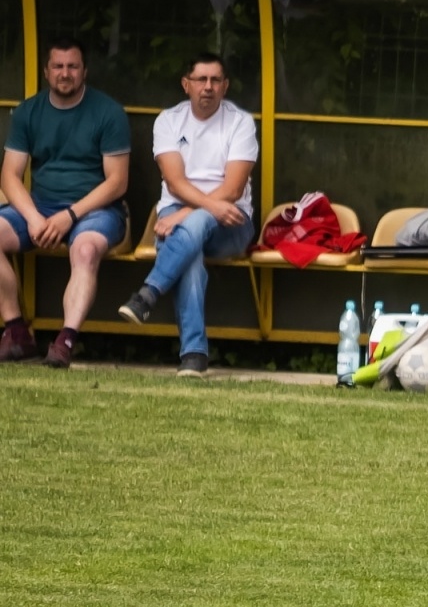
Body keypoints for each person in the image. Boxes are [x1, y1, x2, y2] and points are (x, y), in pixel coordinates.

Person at [117, 52, 258, 377]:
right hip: (183, 211)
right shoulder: (169, 120)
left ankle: (148, 294)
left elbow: (233, 190)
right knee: (190, 257)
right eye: (200, 80)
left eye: (215, 81)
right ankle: (194, 356)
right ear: (186, 84)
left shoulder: (241, 122)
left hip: (231, 222)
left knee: (196, 221)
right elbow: (176, 183)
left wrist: (186, 216)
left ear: (225, 86)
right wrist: (193, 211)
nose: (207, 87)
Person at [0, 38, 130, 369]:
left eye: (72, 66)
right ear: (46, 71)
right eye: (58, 66)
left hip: (95, 210)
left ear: (84, 71)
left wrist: (69, 216)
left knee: (84, 251)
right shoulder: (29, 111)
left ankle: (65, 341)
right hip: (40, 205)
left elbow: (117, 182)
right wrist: (33, 218)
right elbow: (10, 176)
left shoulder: (108, 112)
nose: (65, 73)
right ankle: (16, 332)